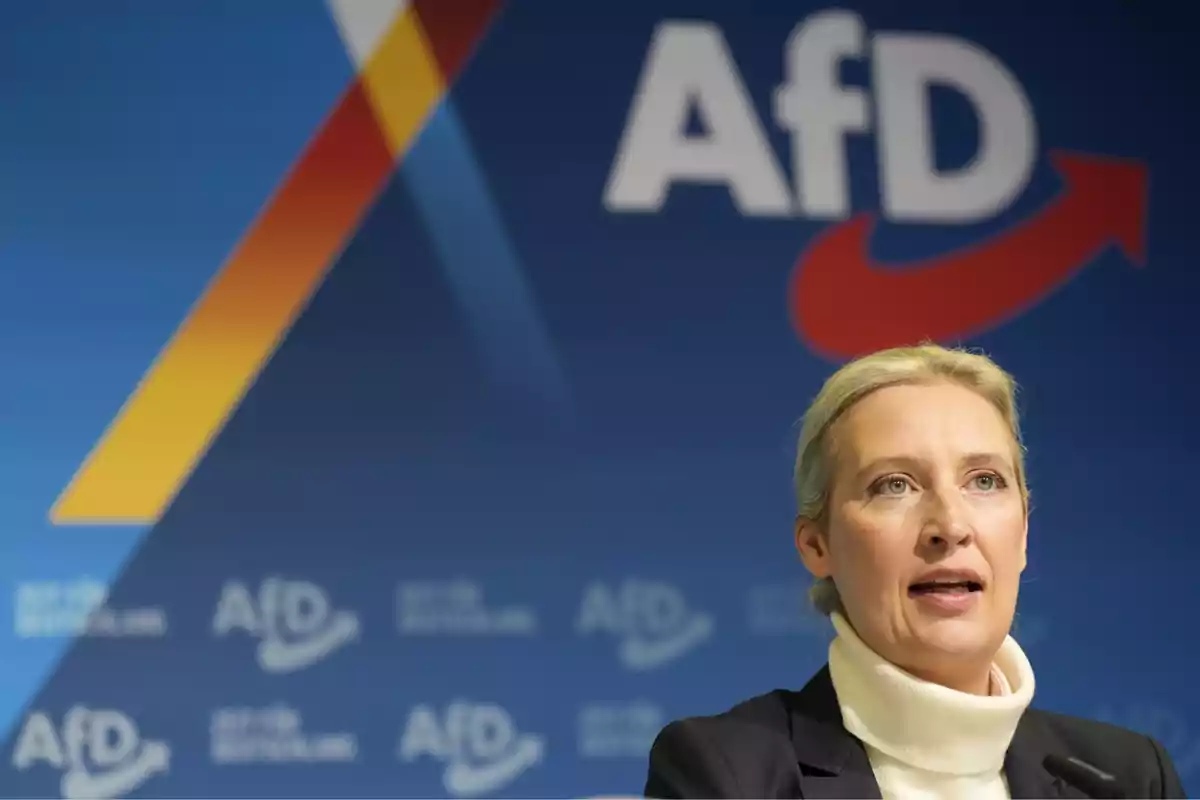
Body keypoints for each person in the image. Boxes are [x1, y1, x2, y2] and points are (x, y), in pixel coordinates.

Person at [644, 344, 1186, 799]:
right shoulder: (730, 775)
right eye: (894, 485)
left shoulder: (1129, 779)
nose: (950, 526)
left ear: (1023, 533)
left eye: (984, 480)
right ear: (816, 545)